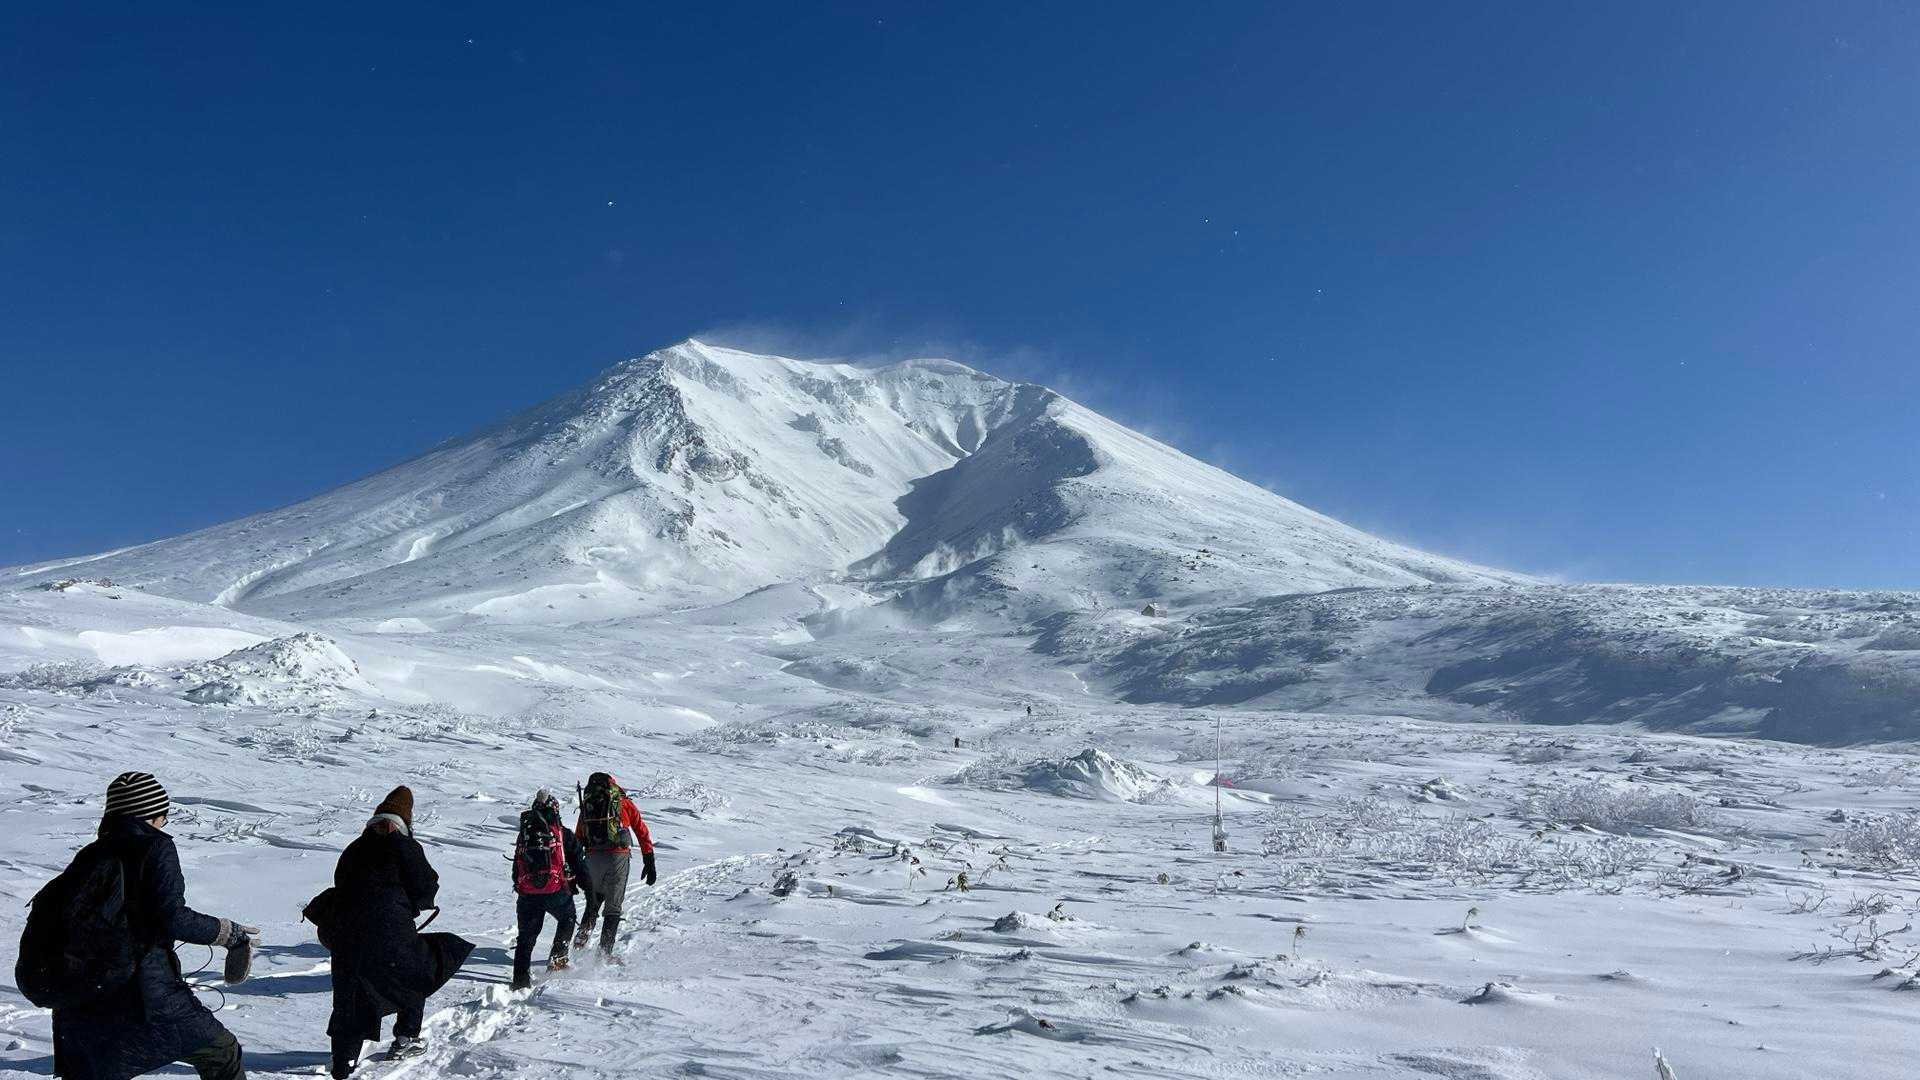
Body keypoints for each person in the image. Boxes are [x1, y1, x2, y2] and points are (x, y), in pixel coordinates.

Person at [46, 771, 258, 1080]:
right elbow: (172, 916)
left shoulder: (90, 856)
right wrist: (227, 932)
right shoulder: (153, 847)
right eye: (163, 815)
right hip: (145, 995)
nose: (163, 822)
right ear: (150, 814)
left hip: (83, 999)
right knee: (221, 1052)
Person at [325, 787, 474, 1079]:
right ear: (406, 820)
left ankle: (342, 1059)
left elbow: (339, 882)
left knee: (350, 993)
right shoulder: (405, 846)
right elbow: (426, 886)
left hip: (346, 933)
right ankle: (406, 1038)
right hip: (390, 931)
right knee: (416, 973)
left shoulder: (355, 847)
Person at [510, 790, 590, 990]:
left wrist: (521, 887)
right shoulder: (562, 834)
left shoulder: (525, 834)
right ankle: (557, 962)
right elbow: (580, 866)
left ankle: (520, 980)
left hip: (527, 893)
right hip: (556, 891)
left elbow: (516, 868)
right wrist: (588, 889)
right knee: (567, 918)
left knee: (526, 937)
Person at [572, 772, 656, 959]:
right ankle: (604, 954)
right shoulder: (623, 803)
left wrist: (574, 867)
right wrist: (649, 859)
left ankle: (580, 940)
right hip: (617, 857)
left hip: (592, 857)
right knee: (613, 907)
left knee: (594, 900)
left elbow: (578, 836)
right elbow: (641, 830)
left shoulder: (588, 805)